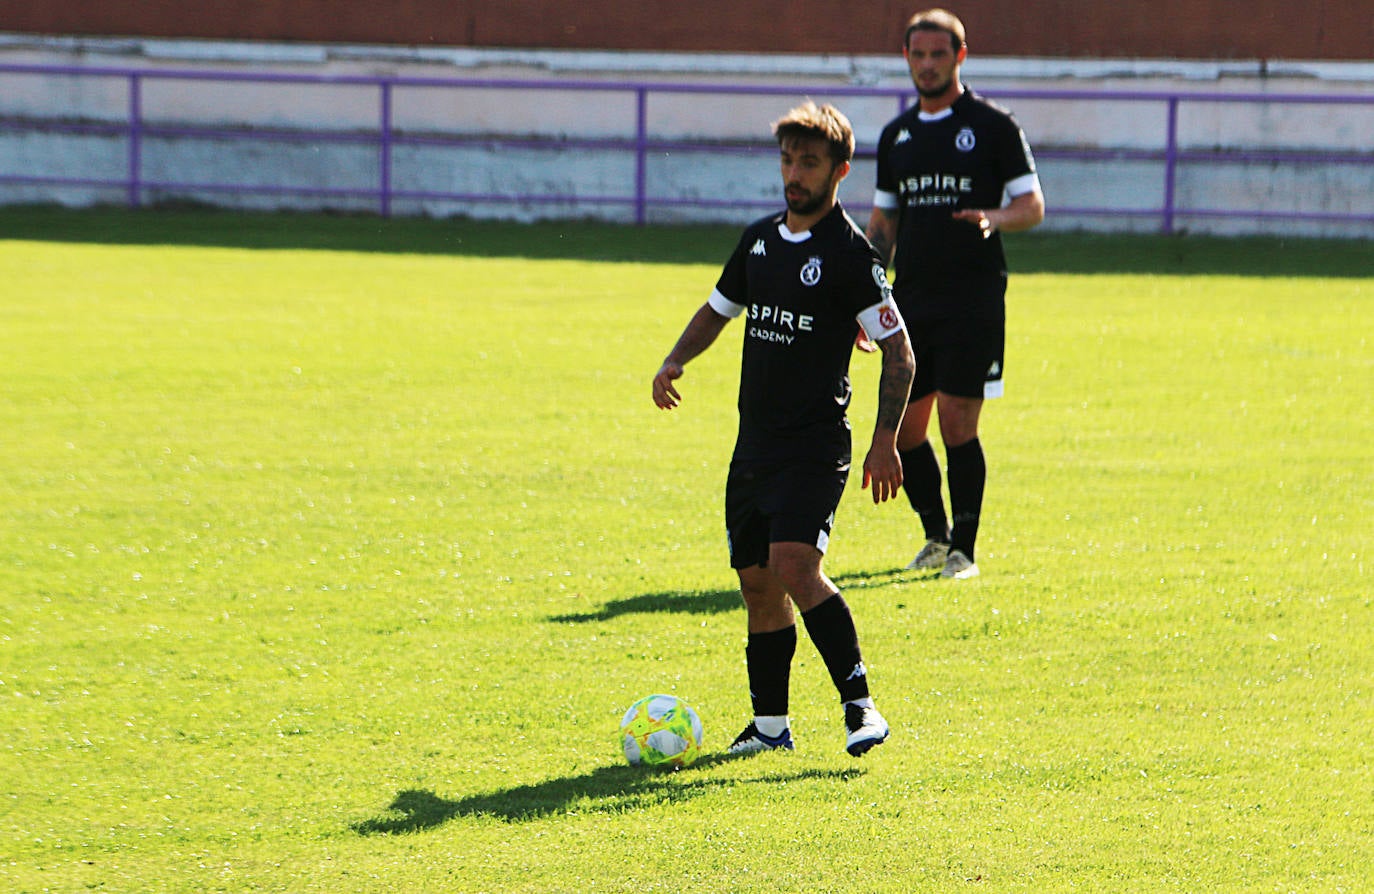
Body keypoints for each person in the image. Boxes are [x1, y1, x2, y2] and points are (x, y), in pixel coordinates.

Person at [652, 101, 915, 757]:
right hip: (755, 447)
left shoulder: (853, 256)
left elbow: (900, 351)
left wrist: (886, 442)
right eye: (789, 160)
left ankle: (861, 709)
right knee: (756, 582)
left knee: (796, 565)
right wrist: (676, 358)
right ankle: (771, 728)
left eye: (810, 163)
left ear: (840, 171)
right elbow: (718, 309)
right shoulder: (760, 241)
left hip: (815, 446)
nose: (795, 174)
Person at [866, 8, 1045, 580]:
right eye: (917, 55)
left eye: (937, 54)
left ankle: (964, 549)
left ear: (960, 57)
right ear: (907, 59)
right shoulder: (896, 137)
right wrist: (865, 298)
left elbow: (1032, 207)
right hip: (910, 299)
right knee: (908, 429)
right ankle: (936, 537)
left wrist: (992, 216)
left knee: (957, 425)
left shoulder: (993, 126)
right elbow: (881, 226)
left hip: (973, 297)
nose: (926, 65)